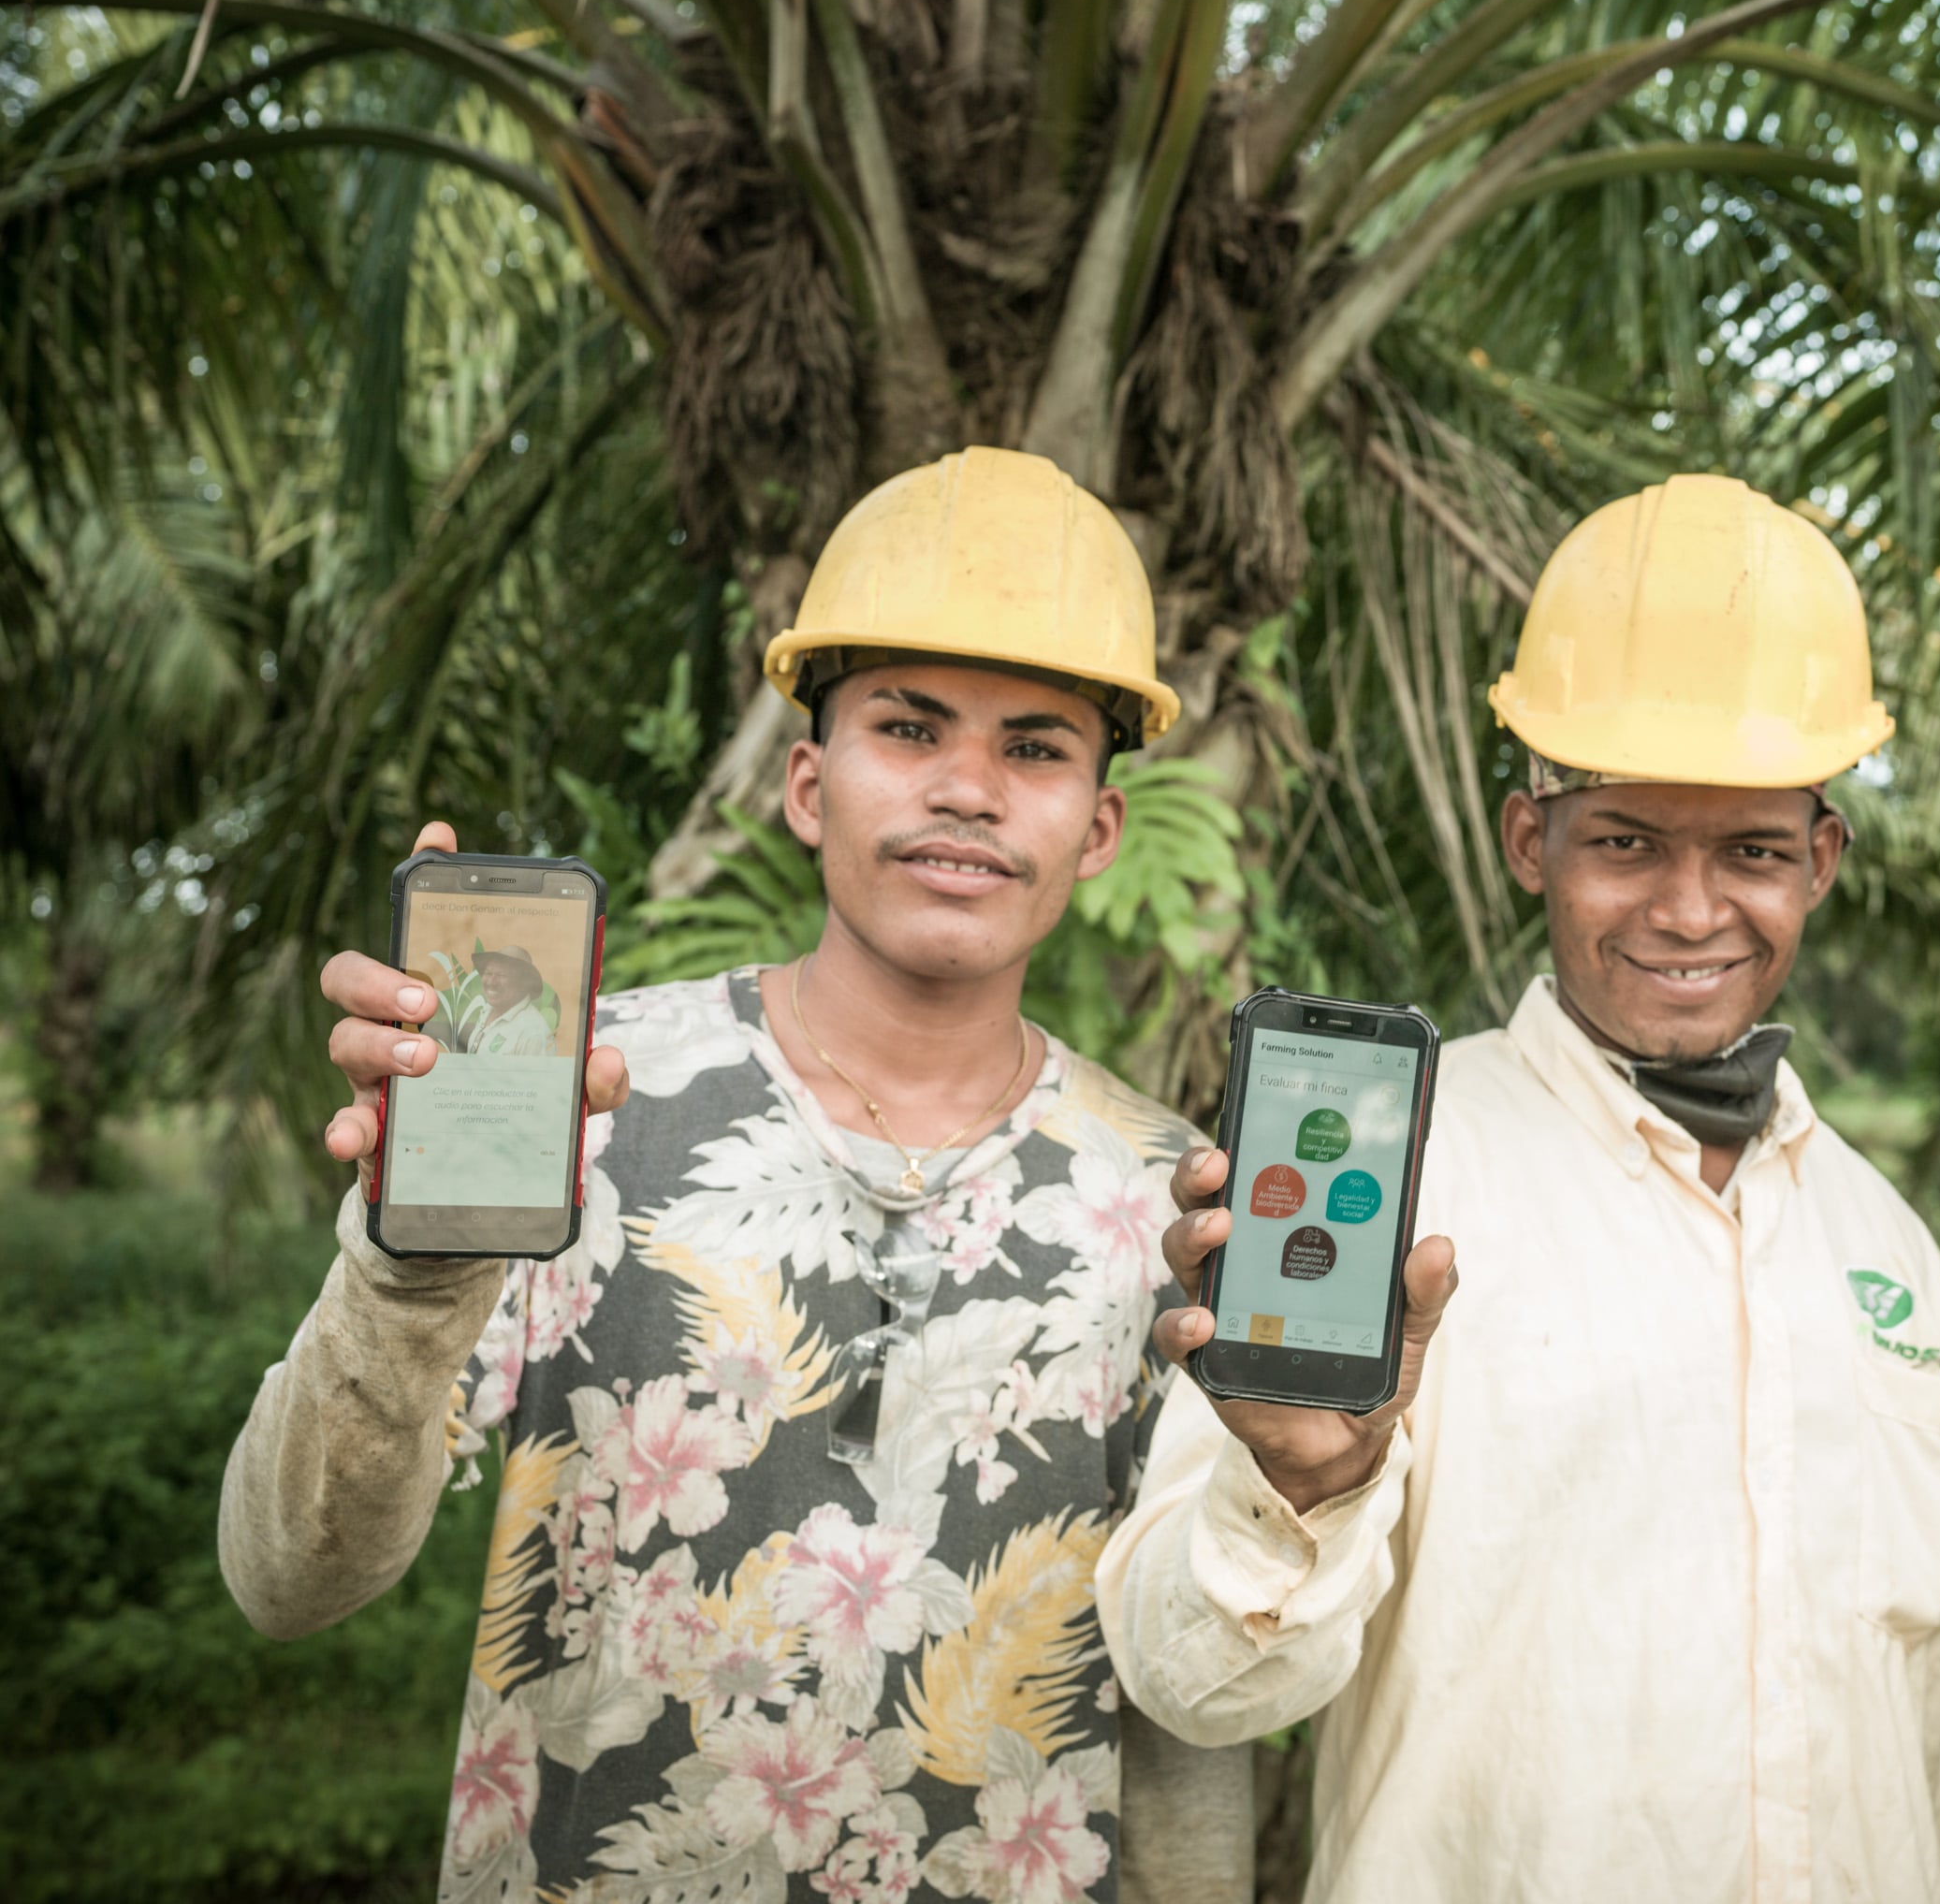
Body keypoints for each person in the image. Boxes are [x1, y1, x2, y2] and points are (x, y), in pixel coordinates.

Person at [220, 448, 1250, 1904]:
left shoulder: (1170, 1203)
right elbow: (289, 1577)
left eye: (1034, 747)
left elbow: (1182, 1724)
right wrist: (408, 1265)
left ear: (1096, 829)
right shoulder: (586, 1099)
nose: (967, 788)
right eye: (909, 727)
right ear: (808, 786)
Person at [1098, 474, 1940, 1903]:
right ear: (1535, 846)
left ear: (1820, 860)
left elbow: (1928, 1707)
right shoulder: (1399, 1184)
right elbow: (1189, 1685)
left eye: (1752, 848)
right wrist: (1291, 1488)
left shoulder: (1881, 1239)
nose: (1690, 910)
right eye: (1627, 841)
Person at [469, 942, 559, 1056]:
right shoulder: (486, 1011)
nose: (491, 982)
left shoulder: (533, 1033)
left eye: (501, 975)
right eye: (488, 973)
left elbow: (536, 1075)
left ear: (522, 983)